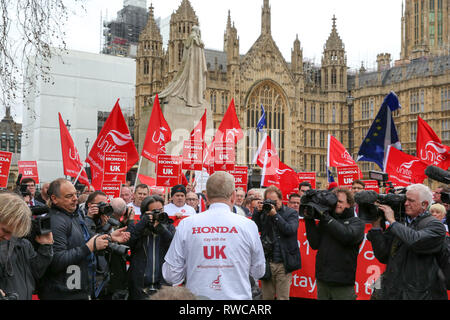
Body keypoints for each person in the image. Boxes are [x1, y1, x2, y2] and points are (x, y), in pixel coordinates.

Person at [162, 171, 265, 300]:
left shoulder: (187, 224)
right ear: (233, 196)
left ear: (207, 197)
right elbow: (259, 271)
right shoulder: (248, 225)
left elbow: (171, 275)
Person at [38, 178, 130, 300]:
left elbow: (84, 240)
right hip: (63, 294)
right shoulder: (55, 221)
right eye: (69, 196)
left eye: (76, 194)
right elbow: (56, 260)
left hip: (80, 291)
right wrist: (89, 247)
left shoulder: (74, 215)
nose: (75, 198)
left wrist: (109, 237)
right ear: (54, 199)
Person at [367, 183, 448, 300]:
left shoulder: (435, 225)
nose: (405, 203)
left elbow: (415, 241)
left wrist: (392, 221)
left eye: (411, 200)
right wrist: (375, 227)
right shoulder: (401, 224)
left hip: (420, 294)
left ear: (424, 204)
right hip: (393, 292)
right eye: (405, 200)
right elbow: (383, 256)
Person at [304, 188, 365, 300]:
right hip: (322, 280)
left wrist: (326, 217)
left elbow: (347, 236)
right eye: (334, 201)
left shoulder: (357, 222)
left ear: (349, 204)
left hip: (342, 284)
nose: (337, 204)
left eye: (340, 202)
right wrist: (309, 219)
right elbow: (314, 244)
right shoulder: (326, 220)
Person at [0, 192, 53, 300]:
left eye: (14, 232)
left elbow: (35, 272)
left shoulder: (23, 244)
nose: (8, 237)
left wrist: (45, 247)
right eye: (5, 231)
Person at [252, 186, 301, 300]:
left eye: (275, 201)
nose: (272, 204)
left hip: (283, 263)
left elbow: (289, 230)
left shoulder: (291, 213)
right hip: (267, 262)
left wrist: (275, 215)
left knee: (282, 298)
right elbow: (254, 229)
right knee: (266, 297)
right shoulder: (264, 212)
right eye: (269, 201)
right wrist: (257, 213)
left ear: (281, 199)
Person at [128, 195, 175, 300]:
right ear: (145, 212)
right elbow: (129, 242)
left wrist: (161, 229)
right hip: (140, 288)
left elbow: (173, 245)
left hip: (162, 287)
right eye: (154, 211)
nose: (158, 214)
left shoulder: (169, 226)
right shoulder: (139, 227)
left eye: (161, 210)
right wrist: (142, 223)